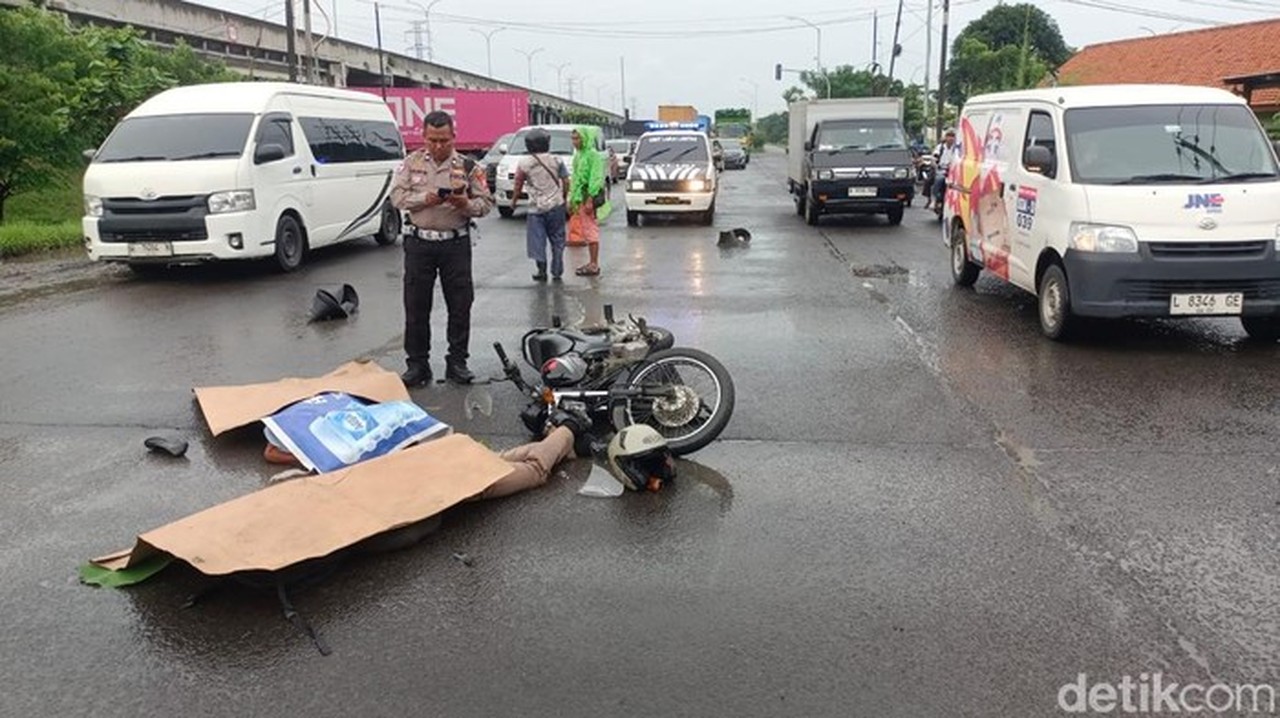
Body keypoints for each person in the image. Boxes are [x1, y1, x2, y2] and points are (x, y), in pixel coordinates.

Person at [390, 110, 494, 387]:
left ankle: (457, 362)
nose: (438, 146)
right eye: (433, 140)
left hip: (455, 244)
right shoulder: (410, 164)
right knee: (416, 306)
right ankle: (417, 364)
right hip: (419, 243)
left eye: (444, 140)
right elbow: (397, 198)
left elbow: (486, 203)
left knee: (460, 305)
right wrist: (426, 198)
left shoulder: (470, 167)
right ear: (424, 137)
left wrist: (466, 205)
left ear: (453, 137)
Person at [510, 128, 570, 282]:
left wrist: (514, 201)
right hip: (556, 205)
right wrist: (563, 196)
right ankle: (557, 270)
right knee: (557, 238)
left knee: (537, 240)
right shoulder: (557, 160)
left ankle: (541, 271)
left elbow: (518, 183)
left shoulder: (524, 163)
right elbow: (566, 180)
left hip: (535, 208)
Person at [568, 126, 606, 276]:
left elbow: (595, 177)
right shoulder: (578, 156)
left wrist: (590, 197)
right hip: (580, 197)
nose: (574, 142)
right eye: (573, 138)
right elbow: (576, 178)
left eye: (577, 138)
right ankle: (591, 262)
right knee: (586, 229)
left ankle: (594, 264)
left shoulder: (593, 155)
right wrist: (571, 198)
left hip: (588, 197)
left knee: (591, 230)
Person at [930, 128, 959, 210]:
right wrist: (935, 163)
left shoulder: (957, 148)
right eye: (949, 136)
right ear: (945, 137)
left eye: (953, 136)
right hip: (941, 170)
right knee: (939, 179)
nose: (950, 138)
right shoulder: (940, 147)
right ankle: (934, 199)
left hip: (953, 172)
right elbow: (934, 157)